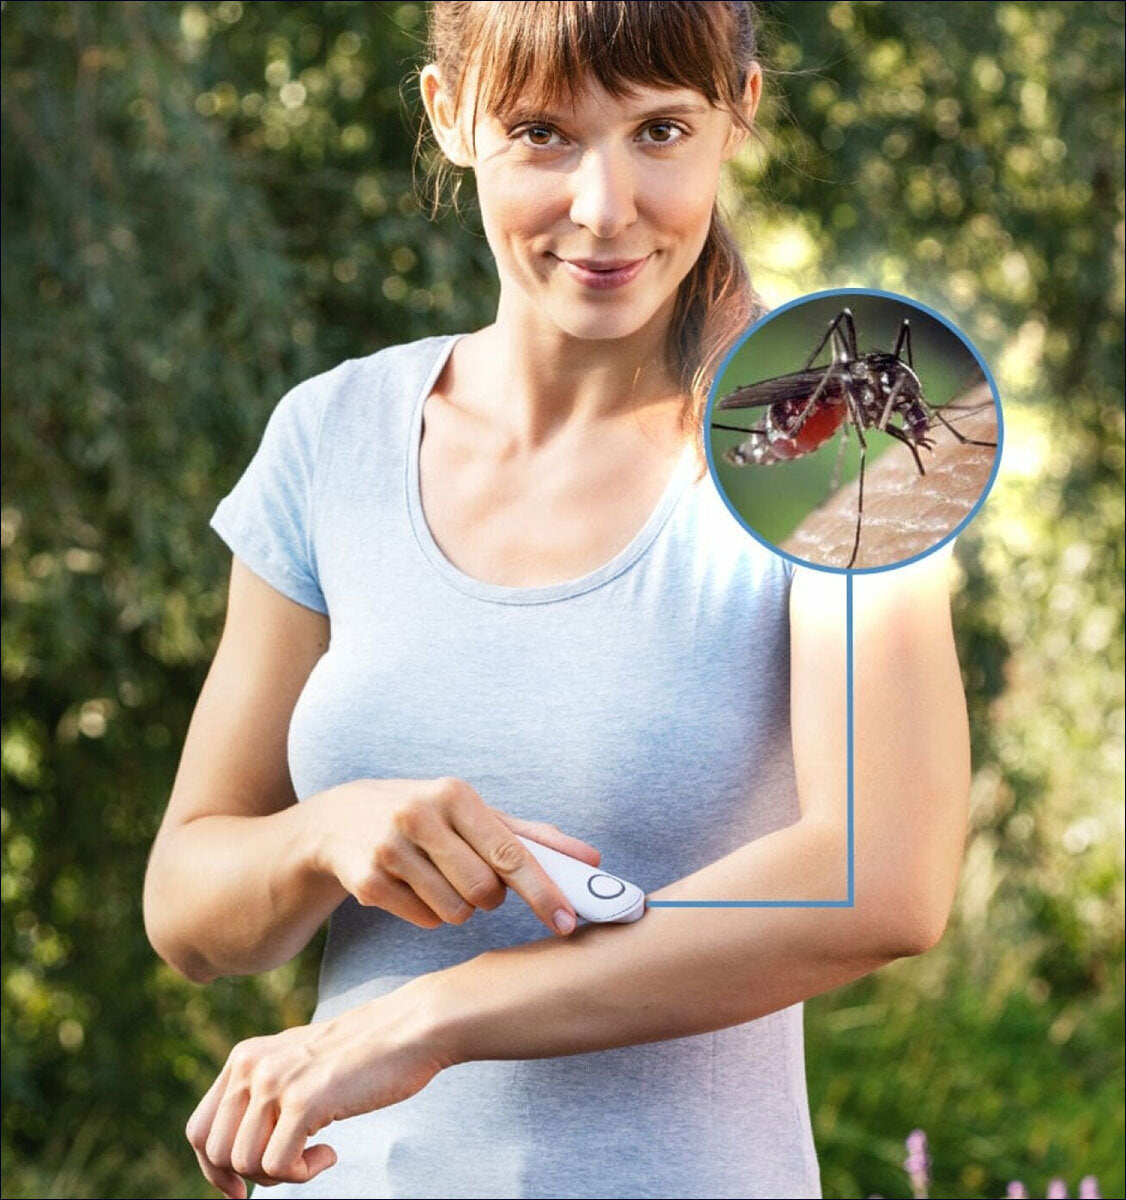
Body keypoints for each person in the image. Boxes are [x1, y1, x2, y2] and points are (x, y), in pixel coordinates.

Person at [142, 4, 971, 1198]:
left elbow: (878, 881)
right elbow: (189, 909)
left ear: (740, 112)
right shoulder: (332, 435)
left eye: (661, 131)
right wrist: (329, 832)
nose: (603, 204)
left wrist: (431, 1018)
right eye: (541, 132)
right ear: (449, 115)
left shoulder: (834, 443)